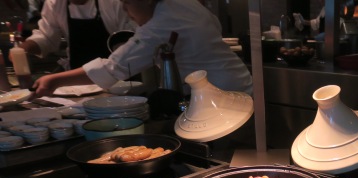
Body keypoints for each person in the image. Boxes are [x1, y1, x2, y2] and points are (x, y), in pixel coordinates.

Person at [29, 0, 252, 98]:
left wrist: (54, 80)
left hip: (221, 96)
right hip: (240, 84)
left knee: (229, 160)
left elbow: (113, 68)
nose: (126, 11)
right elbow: (215, 25)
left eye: (127, 2)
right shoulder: (183, 4)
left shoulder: (159, 25)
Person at [18, 0, 135, 70]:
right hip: (76, 78)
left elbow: (130, 43)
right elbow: (47, 37)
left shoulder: (115, 2)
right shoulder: (55, 3)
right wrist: (23, 49)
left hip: (117, 75)